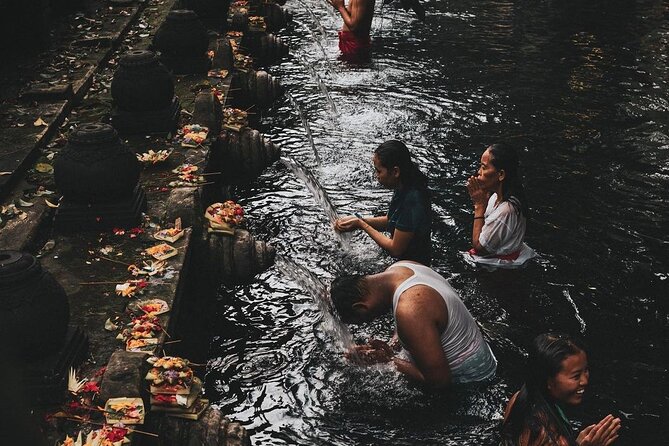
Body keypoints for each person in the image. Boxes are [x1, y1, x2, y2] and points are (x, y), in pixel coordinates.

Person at [330, 261, 497, 388]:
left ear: (361, 307)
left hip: (473, 381)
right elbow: (419, 321)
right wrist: (392, 346)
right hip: (479, 356)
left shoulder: (410, 309)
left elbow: (439, 382)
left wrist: (387, 360)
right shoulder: (401, 268)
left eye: (362, 320)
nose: (368, 322)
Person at [501, 333, 622, 445]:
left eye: (586, 370)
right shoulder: (545, 436)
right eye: (576, 376)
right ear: (548, 381)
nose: (585, 381)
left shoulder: (519, 397)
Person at [335, 140, 432, 265]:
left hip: (415, 266)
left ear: (395, 172)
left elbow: (395, 249)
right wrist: (356, 221)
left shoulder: (413, 199)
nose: (376, 176)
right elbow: (389, 221)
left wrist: (361, 225)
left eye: (379, 171)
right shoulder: (403, 186)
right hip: (404, 261)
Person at [465, 143, 536, 268]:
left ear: (501, 174)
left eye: (484, 167)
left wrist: (479, 206)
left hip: (501, 270)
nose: (478, 172)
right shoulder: (496, 197)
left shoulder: (506, 211)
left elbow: (479, 247)